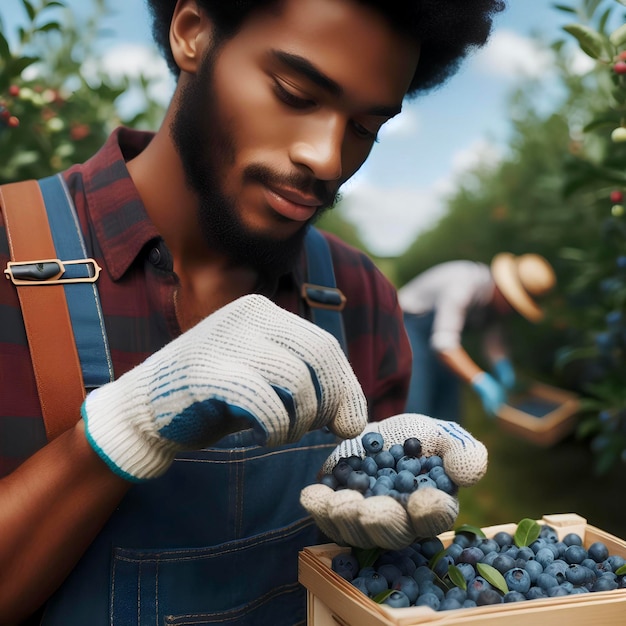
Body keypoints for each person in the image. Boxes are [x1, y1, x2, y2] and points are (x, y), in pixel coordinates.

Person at [0, 1, 505, 624]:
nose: (327, 158)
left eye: (366, 128)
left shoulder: (357, 292)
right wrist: (114, 434)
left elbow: (365, 572)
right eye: (296, 93)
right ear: (193, 34)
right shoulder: (11, 256)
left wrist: (382, 515)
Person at [398, 253, 557, 423]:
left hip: (441, 340)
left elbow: (493, 341)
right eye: (512, 302)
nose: (511, 309)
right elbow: (444, 344)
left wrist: (503, 367)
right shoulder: (464, 283)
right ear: (502, 288)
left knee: (447, 411)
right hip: (408, 328)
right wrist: (481, 380)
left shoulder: (493, 304)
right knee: (416, 409)